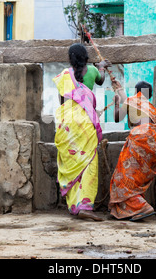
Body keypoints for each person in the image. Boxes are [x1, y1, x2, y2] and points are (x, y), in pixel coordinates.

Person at [52, 43, 110, 221]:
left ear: (70, 58)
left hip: (68, 124)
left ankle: (75, 206)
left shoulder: (64, 76)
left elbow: (62, 102)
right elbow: (101, 80)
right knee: (88, 163)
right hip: (85, 122)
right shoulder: (92, 71)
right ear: (86, 57)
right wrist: (102, 67)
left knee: (71, 162)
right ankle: (85, 206)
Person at [108, 80, 156, 221]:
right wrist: (120, 91)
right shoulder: (151, 108)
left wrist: (116, 103)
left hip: (140, 139)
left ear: (137, 92)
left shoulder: (133, 100)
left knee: (123, 178)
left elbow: (117, 118)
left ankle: (142, 207)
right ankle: (134, 210)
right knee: (136, 179)